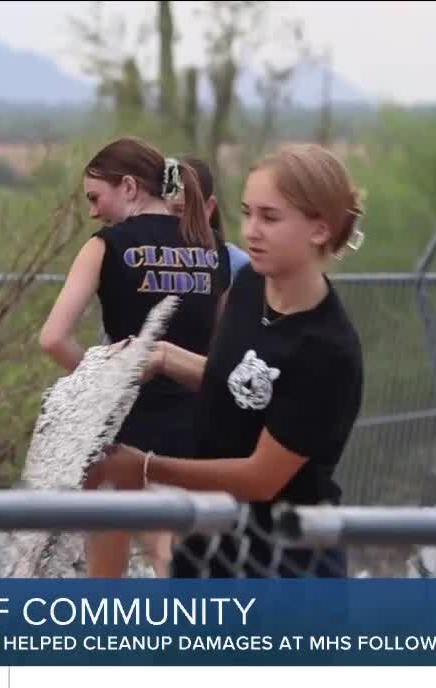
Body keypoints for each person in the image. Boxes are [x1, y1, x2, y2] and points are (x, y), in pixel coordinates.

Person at [87, 142, 365, 580]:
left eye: (270, 217)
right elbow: (234, 383)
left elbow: (260, 478)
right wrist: (159, 355)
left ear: (319, 229)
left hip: (283, 565)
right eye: (247, 212)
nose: (251, 230)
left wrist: (143, 466)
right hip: (209, 547)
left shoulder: (325, 349)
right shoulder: (250, 284)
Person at [39, 136, 232, 579]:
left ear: (128, 187)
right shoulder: (214, 251)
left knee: (106, 580)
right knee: (186, 569)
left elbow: (52, 338)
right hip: (197, 433)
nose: (92, 210)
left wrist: (102, 380)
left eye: (95, 197)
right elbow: (222, 355)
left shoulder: (106, 245)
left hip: (122, 429)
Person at [166, 155, 251, 281]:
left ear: (209, 208)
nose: (165, 219)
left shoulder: (238, 267)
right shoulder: (142, 260)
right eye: (160, 210)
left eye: (179, 210)